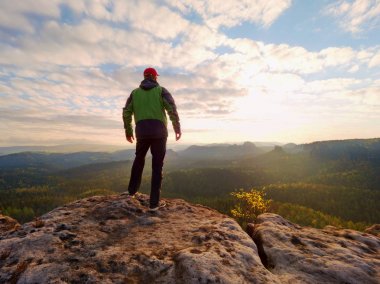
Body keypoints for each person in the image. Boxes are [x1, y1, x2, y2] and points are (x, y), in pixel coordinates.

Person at [122, 67, 181, 212]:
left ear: (144, 77)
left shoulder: (134, 93)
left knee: (139, 159)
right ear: (155, 77)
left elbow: (126, 113)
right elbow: (171, 109)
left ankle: (131, 192)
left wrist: (128, 131)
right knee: (157, 166)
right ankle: (154, 204)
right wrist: (176, 127)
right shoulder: (161, 90)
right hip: (159, 133)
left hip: (142, 132)